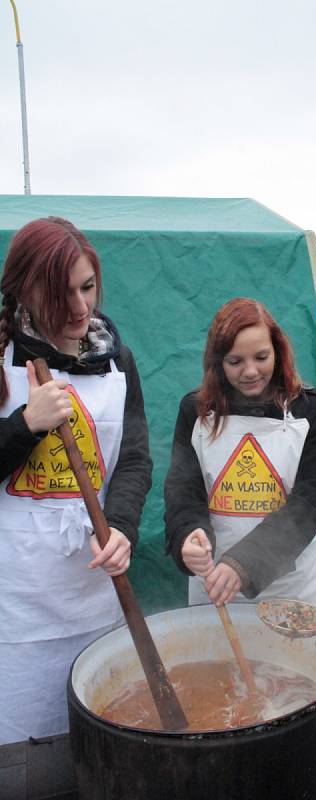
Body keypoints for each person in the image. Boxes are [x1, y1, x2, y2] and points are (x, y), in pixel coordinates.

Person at [164, 297, 316, 800]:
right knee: (226, 703)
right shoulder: (195, 411)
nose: (249, 371)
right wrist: (188, 536)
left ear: (278, 350)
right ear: (217, 362)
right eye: (234, 361)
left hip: (292, 592)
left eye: (260, 357)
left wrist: (244, 563)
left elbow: (310, 502)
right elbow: (183, 490)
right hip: (215, 589)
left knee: (309, 701)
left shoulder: (311, 410)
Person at [0, 217, 152, 745]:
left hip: (93, 589)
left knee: (97, 731)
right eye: (61, 294)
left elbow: (133, 459)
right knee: (21, 752)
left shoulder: (117, 361)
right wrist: (23, 426)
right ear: (24, 290)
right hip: (14, 605)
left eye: (88, 288)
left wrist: (123, 527)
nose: (82, 309)